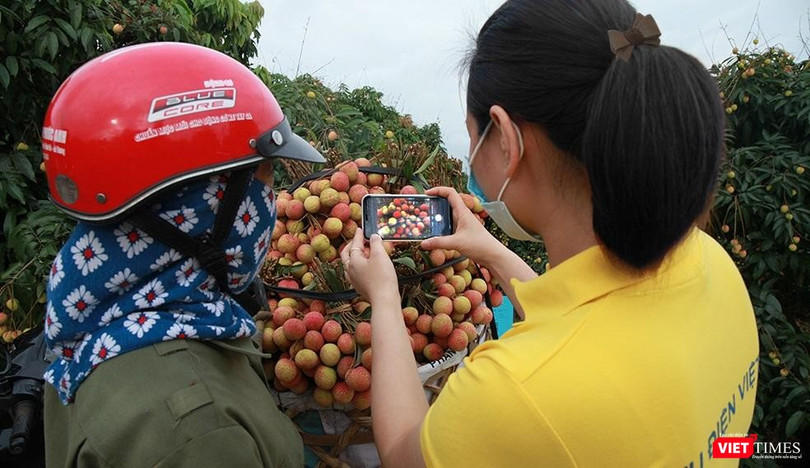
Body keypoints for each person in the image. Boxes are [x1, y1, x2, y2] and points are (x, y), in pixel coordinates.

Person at [340, 0, 759, 466]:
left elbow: (402, 453)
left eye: (472, 136)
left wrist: (382, 296)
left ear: (506, 139)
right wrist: (491, 250)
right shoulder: (713, 263)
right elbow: (585, 326)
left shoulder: (513, 393)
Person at [41, 42, 325, 467]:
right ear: (201, 208)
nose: (274, 196)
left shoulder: (105, 316)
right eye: (265, 175)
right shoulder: (199, 434)